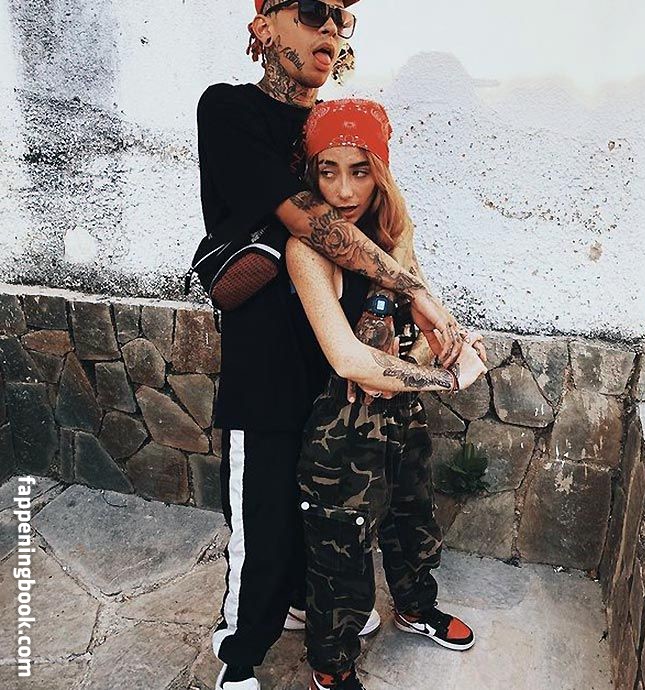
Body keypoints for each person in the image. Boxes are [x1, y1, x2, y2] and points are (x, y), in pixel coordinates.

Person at [196, 2, 470, 688]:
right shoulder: (230, 110)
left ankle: (310, 607)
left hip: (331, 368)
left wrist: (406, 301)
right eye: (314, 10)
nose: (331, 28)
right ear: (263, 25)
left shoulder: (333, 126)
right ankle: (239, 660)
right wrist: (417, 293)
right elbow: (311, 225)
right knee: (263, 527)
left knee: (324, 519)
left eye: (342, 18)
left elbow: (380, 218)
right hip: (266, 370)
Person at [286, 99, 488, 690]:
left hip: (402, 416)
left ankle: (415, 607)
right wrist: (449, 378)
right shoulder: (307, 250)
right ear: (311, 174)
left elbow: (415, 338)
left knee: (413, 520)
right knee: (340, 556)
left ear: (380, 173)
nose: (344, 190)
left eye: (360, 170)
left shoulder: (393, 238)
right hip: (341, 428)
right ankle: (332, 664)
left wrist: (444, 349)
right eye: (328, 171)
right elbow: (349, 360)